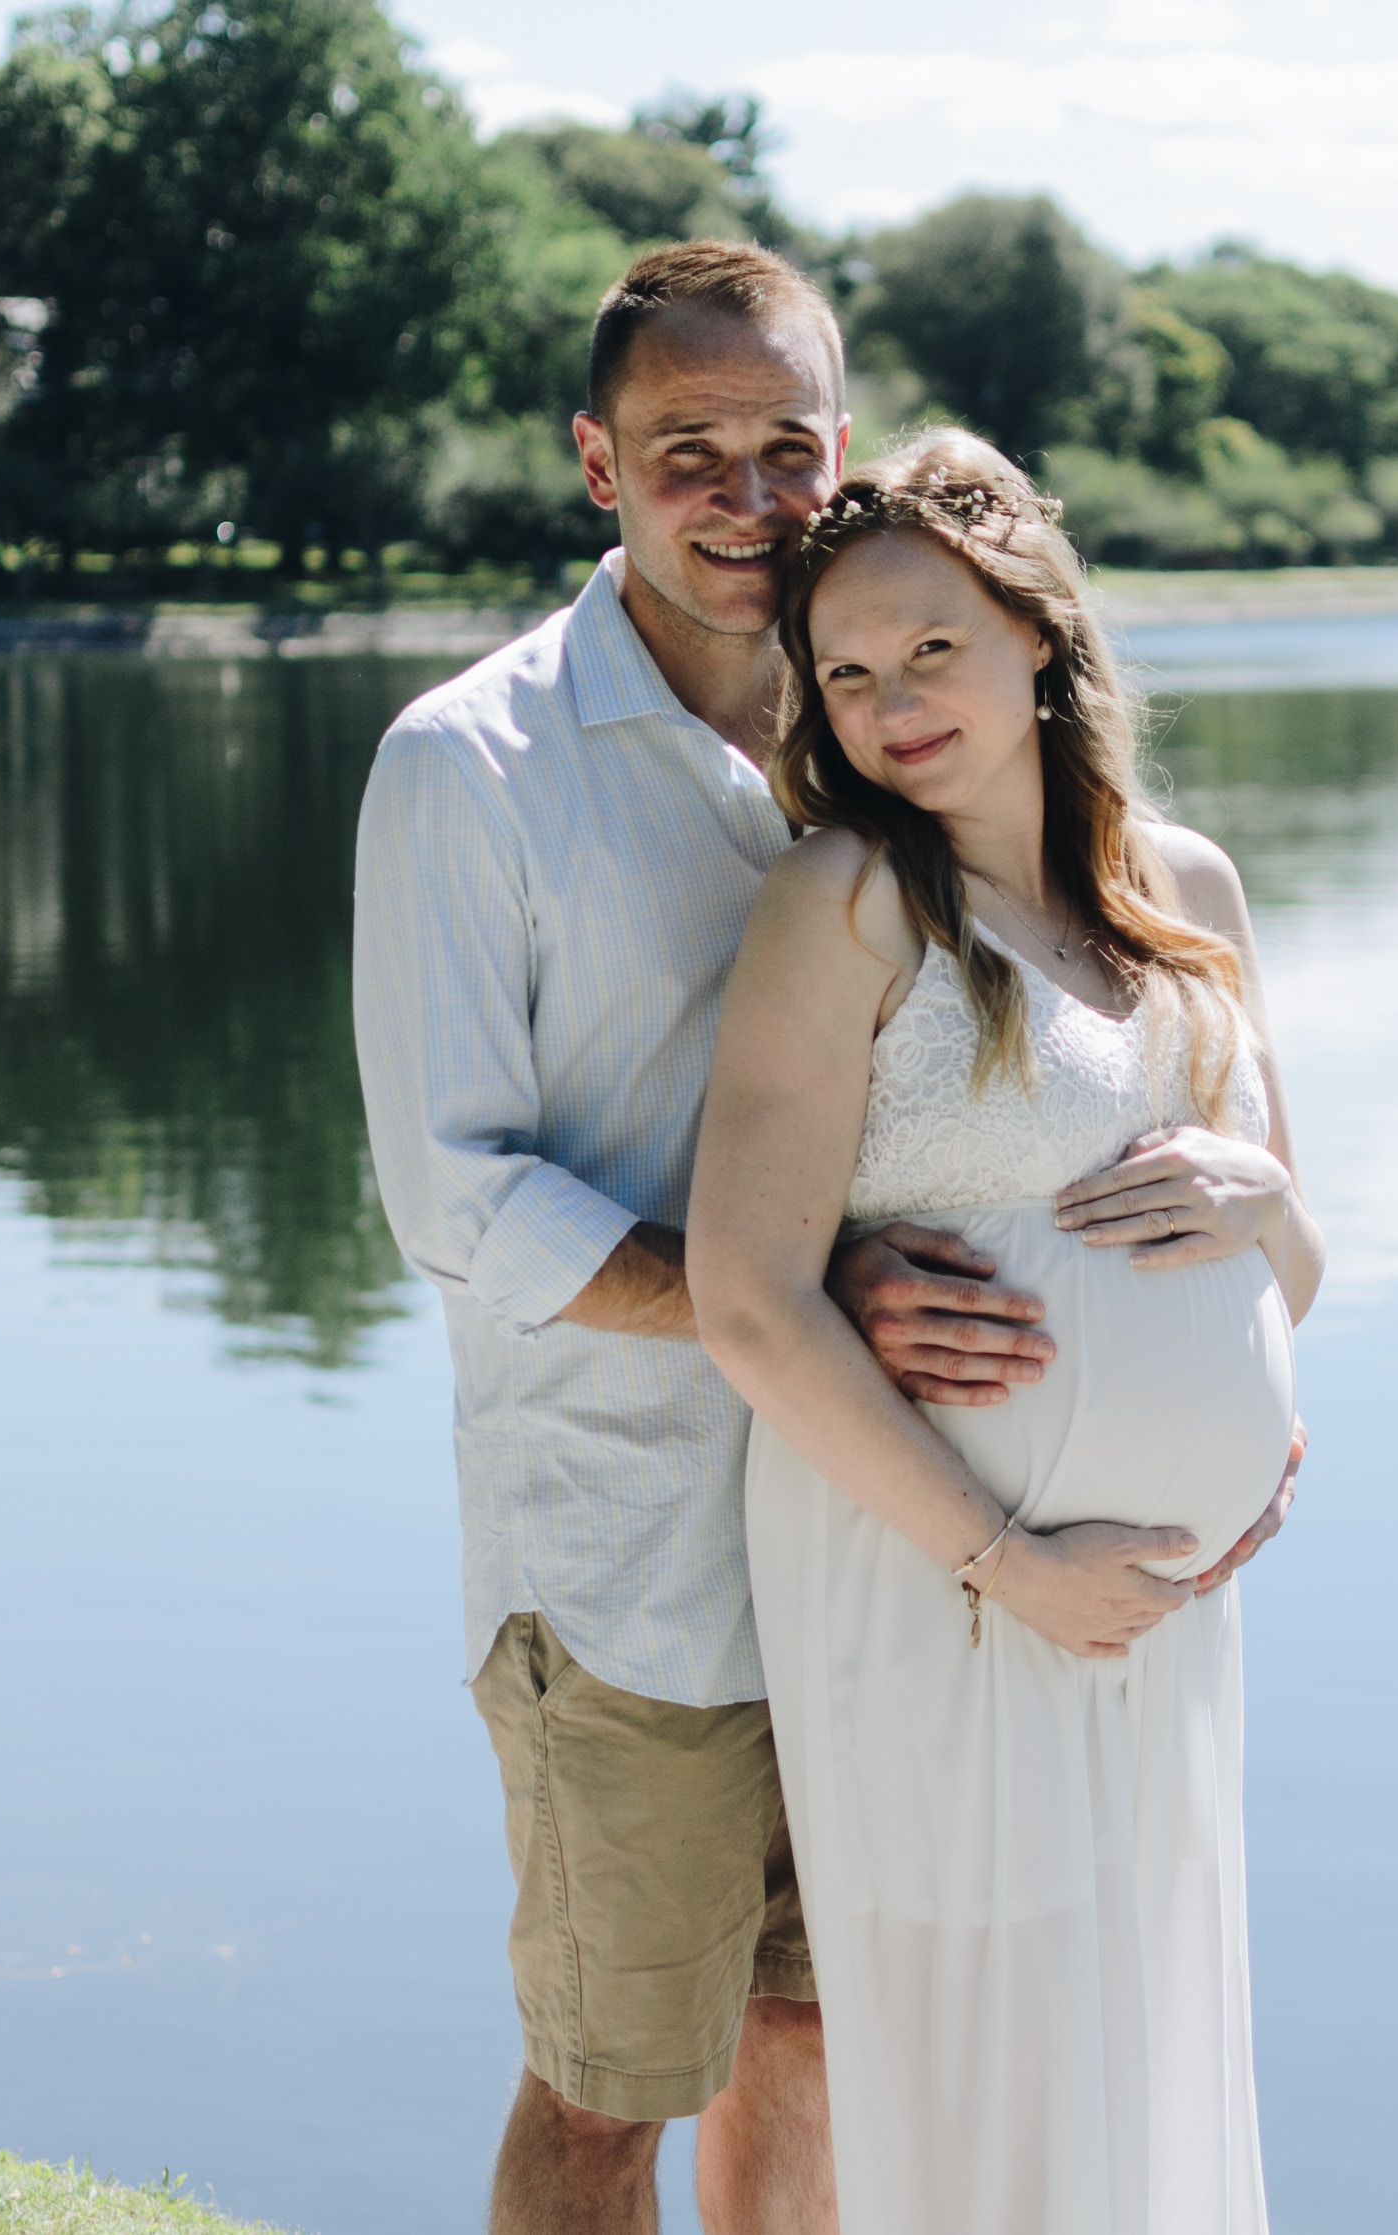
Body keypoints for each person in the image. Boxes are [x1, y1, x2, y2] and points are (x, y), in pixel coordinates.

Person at [353, 244, 1302, 2235]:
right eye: (685, 446)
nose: (746, 489)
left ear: (842, 448)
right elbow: (456, 1193)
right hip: (644, 1559)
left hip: (913, 1560)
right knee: (618, 2075)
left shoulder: (881, 716)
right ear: (597, 466)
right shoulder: (475, 763)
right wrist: (778, 1300)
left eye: (786, 442)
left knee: (836, 2042)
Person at [686, 429, 1328, 2235]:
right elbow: (746, 1294)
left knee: (1139, 2012)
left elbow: (1301, 1265)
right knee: (985, 2046)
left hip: (1165, 1607)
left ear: (1038, 638)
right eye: (849, 673)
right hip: (942, 1579)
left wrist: (1259, 1219)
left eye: (933, 651)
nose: (893, 704)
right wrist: (1007, 1558)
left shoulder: (1187, 894)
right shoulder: (845, 906)